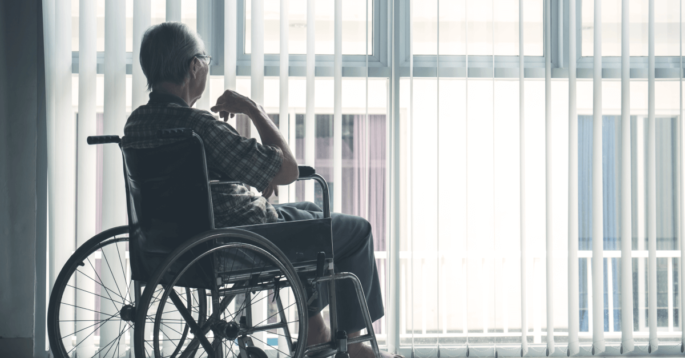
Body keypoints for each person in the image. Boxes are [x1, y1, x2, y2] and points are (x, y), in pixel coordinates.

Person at [122, 22, 399, 358]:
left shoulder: (136, 124)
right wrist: (251, 108)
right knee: (356, 230)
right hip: (233, 241)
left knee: (311, 214)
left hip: (171, 245)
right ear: (194, 65)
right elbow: (287, 169)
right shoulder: (199, 126)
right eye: (205, 59)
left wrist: (241, 177)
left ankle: (315, 329)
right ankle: (354, 346)